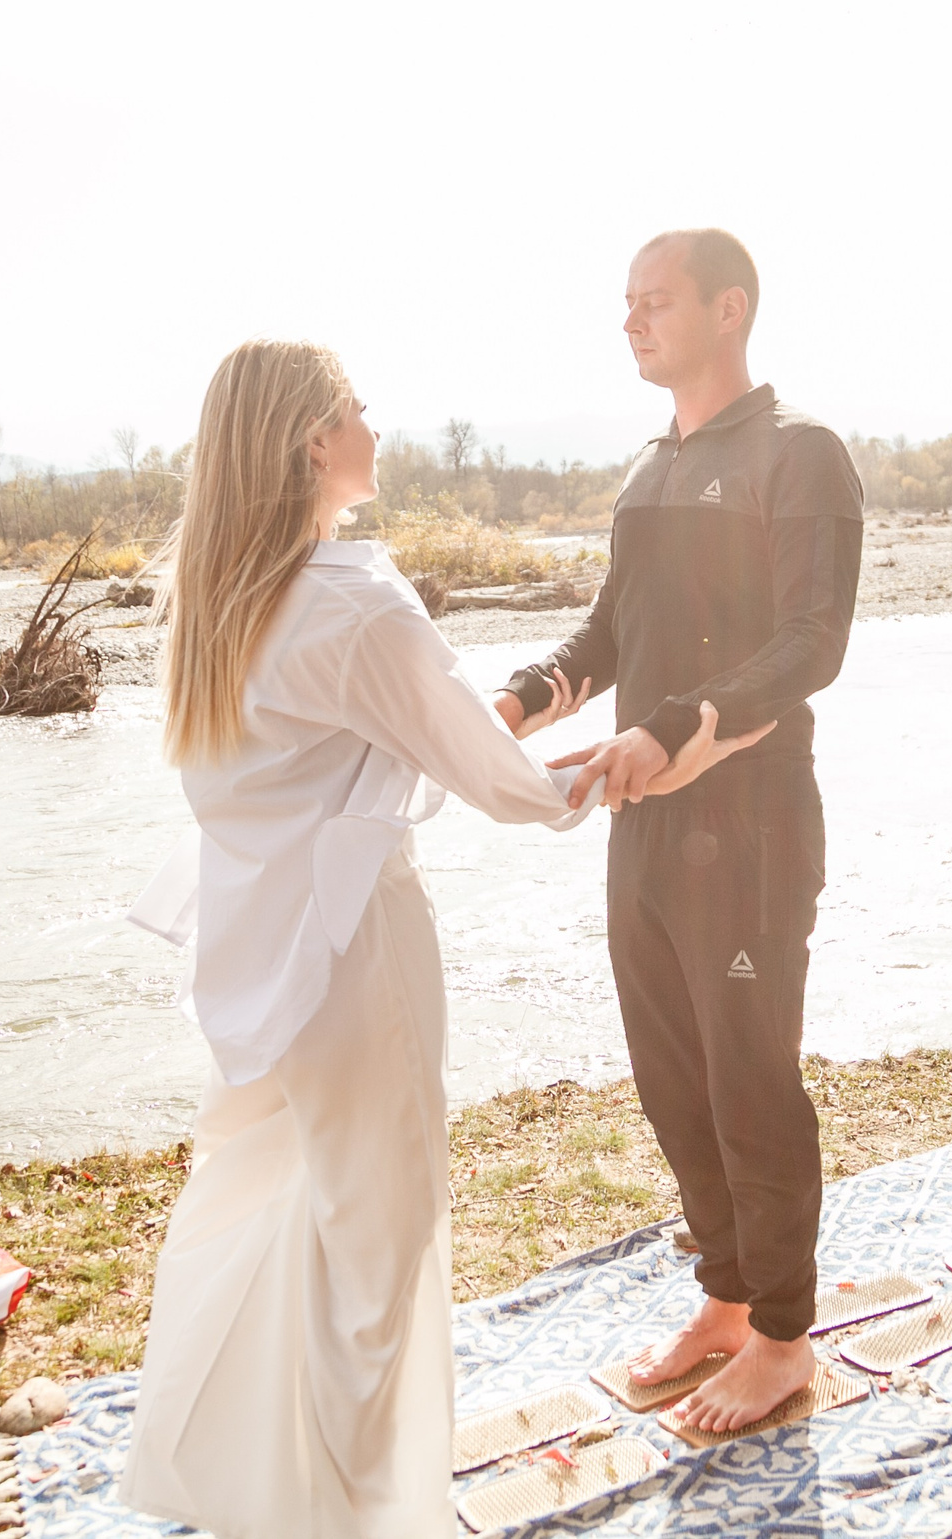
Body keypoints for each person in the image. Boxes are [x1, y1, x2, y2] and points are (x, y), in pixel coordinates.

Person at [119, 340, 765, 1539]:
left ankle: (248, 1472)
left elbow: (387, 739)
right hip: (351, 952)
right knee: (382, 1233)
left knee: (274, 1200)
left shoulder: (221, 599)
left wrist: (531, 710)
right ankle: (362, 1510)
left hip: (257, 954)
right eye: (358, 409)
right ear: (316, 441)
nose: (377, 424)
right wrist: (639, 761)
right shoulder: (353, 596)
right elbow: (488, 770)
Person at [493, 229, 865, 1435]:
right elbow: (608, 634)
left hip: (749, 829)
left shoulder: (800, 454)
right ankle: (721, 1297)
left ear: (728, 309)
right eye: (626, 302)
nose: (631, 321)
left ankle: (783, 1336)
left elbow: (811, 644)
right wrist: (516, 700)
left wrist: (671, 729)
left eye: (654, 302)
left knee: (749, 1075)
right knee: (672, 1076)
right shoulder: (650, 469)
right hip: (643, 823)